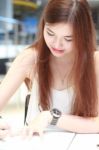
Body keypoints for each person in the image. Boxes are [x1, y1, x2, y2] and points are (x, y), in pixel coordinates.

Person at [0, 0, 99, 138]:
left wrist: (51, 117)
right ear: (43, 26)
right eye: (50, 33)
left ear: (83, 35)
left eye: (68, 38)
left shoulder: (94, 62)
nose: (57, 44)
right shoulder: (31, 58)